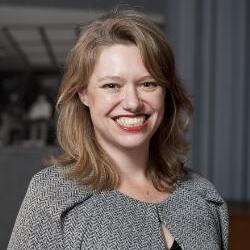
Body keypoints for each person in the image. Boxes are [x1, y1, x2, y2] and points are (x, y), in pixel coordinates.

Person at [8, 9, 228, 250]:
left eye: (148, 84)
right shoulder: (52, 197)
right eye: (112, 85)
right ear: (83, 93)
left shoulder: (204, 196)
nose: (132, 103)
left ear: (166, 92)